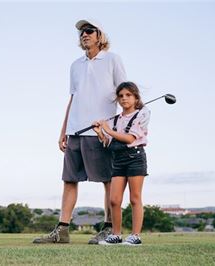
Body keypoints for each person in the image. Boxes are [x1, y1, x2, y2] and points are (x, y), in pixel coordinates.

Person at [32, 19, 127, 244]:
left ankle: (108, 228)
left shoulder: (113, 59)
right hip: (75, 130)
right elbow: (73, 99)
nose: (84, 35)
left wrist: (116, 129)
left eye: (88, 31)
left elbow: (124, 95)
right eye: (81, 32)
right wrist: (63, 130)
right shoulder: (75, 65)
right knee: (69, 180)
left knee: (107, 180)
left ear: (99, 35)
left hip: (102, 132)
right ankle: (62, 231)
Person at [93, 81, 150, 246]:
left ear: (135, 97)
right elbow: (109, 143)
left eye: (128, 95)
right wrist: (101, 134)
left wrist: (108, 130)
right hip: (118, 159)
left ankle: (135, 236)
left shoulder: (142, 114)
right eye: (121, 96)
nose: (124, 99)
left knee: (135, 198)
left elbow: (130, 139)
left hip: (135, 157)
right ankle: (116, 235)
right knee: (114, 200)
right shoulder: (115, 120)